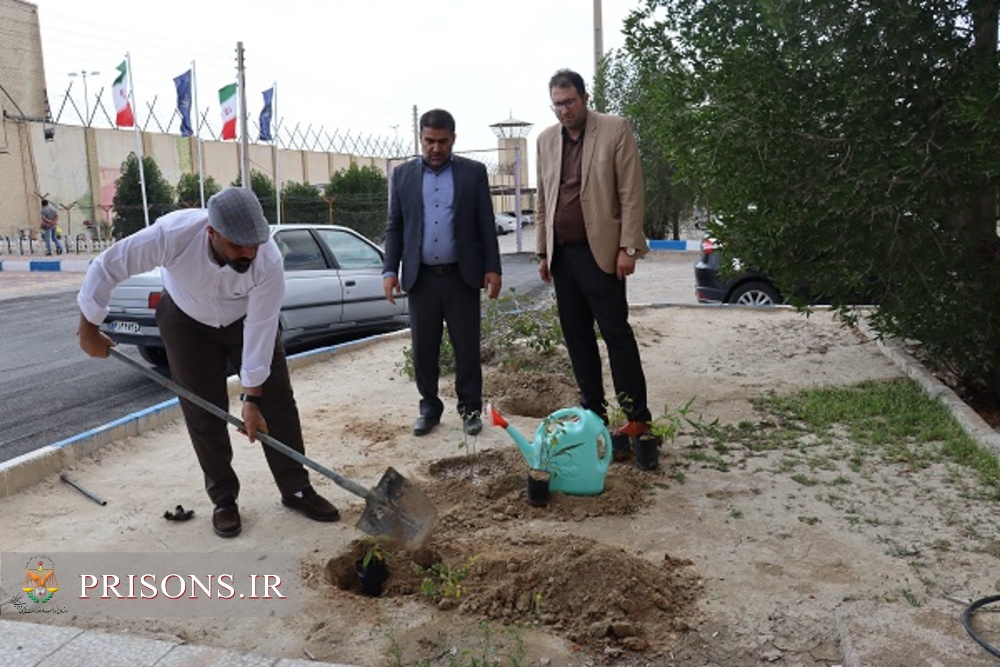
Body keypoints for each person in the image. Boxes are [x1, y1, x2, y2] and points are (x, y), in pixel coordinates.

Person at [76, 187, 340, 538]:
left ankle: (296, 488)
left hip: (245, 320)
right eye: (237, 245)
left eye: (254, 244)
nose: (248, 252)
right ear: (211, 233)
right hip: (186, 320)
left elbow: (261, 330)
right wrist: (88, 330)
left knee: (278, 403)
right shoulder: (171, 235)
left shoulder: (268, 260)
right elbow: (107, 266)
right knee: (204, 409)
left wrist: (252, 399)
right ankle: (224, 499)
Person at [535, 68, 656, 443]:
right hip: (563, 257)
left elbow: (631, 192)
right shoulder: (545, 140)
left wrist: (627, 247)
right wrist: (542, 251)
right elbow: (543, 198)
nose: (564, 110)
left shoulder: (615, 129)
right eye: (557, 104)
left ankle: (637, 416)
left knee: (616, 333)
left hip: (601, 253)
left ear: (585, 98)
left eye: (569, 101)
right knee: (576, 336)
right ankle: (593, 413)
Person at [382, 109, 503, 437]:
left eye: (442, 141)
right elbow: (395, 226)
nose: (435, 148)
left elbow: (484, 225)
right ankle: (429, 408)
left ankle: (470, 410)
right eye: (429, 141)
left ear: (453, 139)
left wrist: (493, 268)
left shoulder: (472, 173)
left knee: (467, 347)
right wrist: (389, 270)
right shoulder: (403, 175)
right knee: (424, 349)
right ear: (421, 138)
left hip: (461, 277)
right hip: (421, 279)